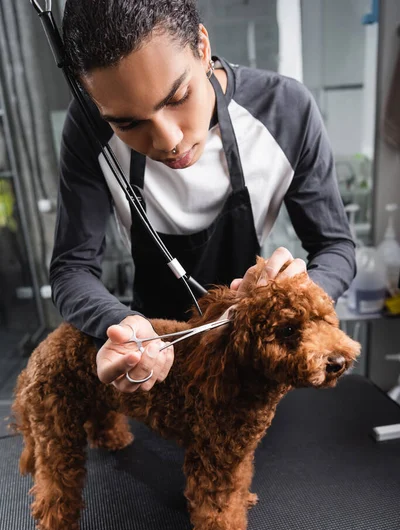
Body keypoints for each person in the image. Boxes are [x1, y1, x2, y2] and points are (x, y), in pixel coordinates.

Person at [51, 0, 356, 394]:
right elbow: (71, 268)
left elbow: (336, 247)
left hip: (251, 362)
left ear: (202, 47)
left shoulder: (286, 111)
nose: (169, 141)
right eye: (128, 123)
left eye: (177, 97)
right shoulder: (89, 128)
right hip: (152, 361)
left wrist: (303, 291)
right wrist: (121, 324)